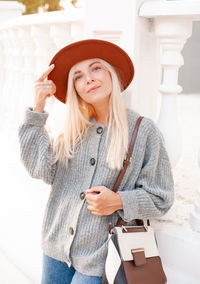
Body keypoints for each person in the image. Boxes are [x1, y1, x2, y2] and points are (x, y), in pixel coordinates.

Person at [18, 39, 174, 284]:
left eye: (96, 68)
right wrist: (37, 109)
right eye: (78, 76)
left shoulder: (143, 131)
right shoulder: (73, 131)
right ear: (75, 88)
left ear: (112, 74)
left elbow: (161, 197)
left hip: (102, 258)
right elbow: (40, 168)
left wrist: (118, 201)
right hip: (55, 250)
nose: (88, 78)